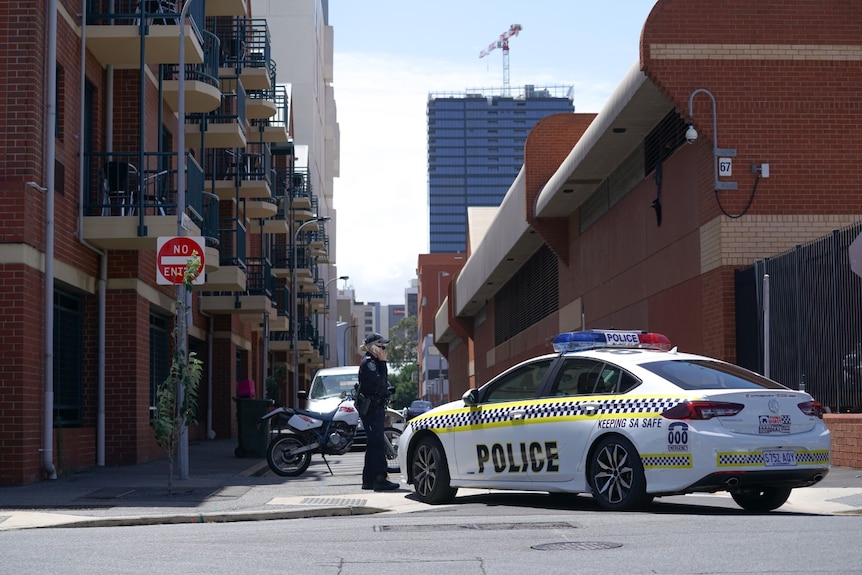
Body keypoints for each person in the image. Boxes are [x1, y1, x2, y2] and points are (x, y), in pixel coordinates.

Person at [357, 332, 399, 491]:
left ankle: (368, 481)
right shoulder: (370, 363)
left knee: (373, 443)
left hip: (376, 408)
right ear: (372, 347)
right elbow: (381, 381)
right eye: (381, 346)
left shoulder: (373, 362)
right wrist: (383, 362)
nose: (384, 349)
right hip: (372, 409)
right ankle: (380, 479)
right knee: (377, 444)